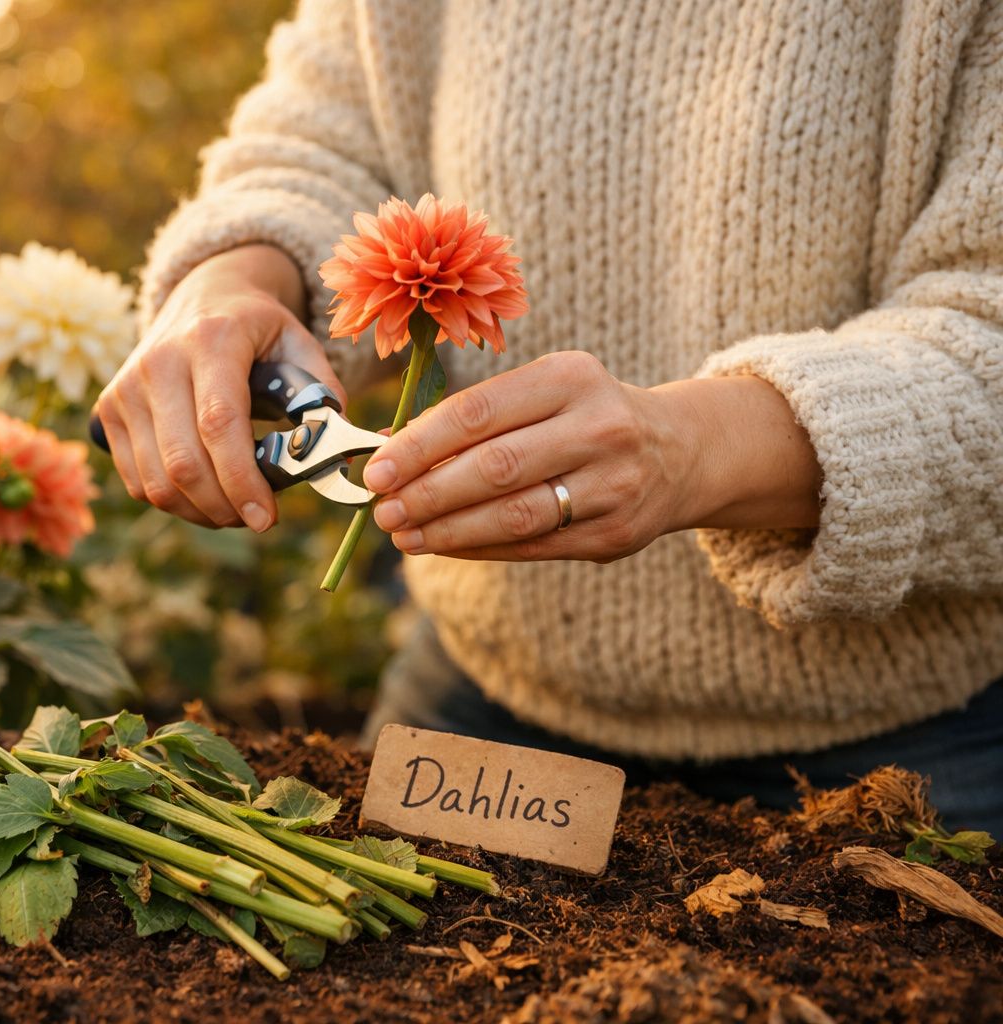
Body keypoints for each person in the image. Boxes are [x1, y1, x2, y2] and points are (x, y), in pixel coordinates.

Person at [94, 0, 1003, 833]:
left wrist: (697, 450)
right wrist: (236, 276)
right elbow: (319, 136)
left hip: (905, 755)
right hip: (480, 703)